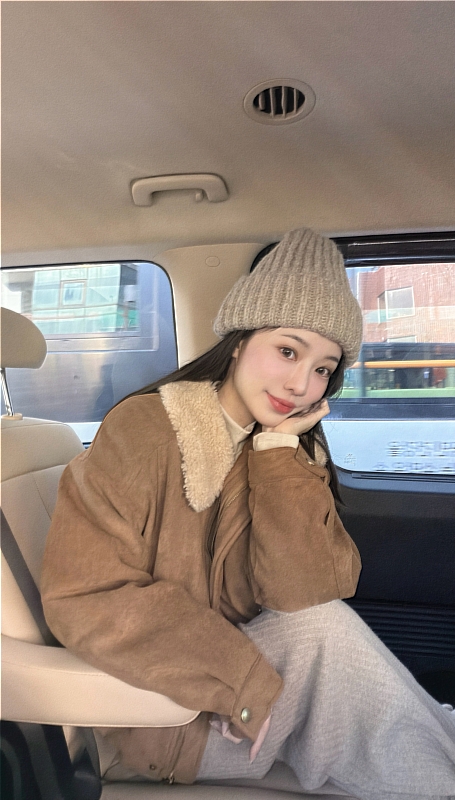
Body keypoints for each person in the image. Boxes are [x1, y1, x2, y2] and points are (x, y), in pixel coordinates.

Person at [41, 228, 455, 799]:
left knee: (323, 629)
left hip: (244, 679)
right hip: (167, 712)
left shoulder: (286, 445)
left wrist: (278, 456)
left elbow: (304, 593)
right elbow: (85, 597)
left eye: (323, 369)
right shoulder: (146, 430)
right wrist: (238, 678)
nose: (301, 384)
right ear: (239, 342)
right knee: (328, 641)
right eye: (287, 351)